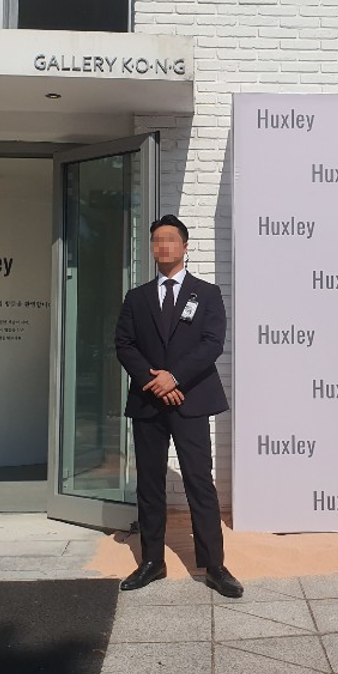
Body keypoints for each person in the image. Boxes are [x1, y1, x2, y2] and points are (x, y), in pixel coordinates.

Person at [114, 214, 243, 598]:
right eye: (157, 240)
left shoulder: (207, 293)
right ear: (152, 248)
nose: (163, 245)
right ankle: (152, 562)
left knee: (199, 481)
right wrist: (154, 381)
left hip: (190, 400)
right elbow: (124, 344)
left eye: (171, 239)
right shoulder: (136, 298)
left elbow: (211, 343)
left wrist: (174, 378)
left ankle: (214, 565)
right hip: (148, 402)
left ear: (185, 246)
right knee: (149, 483)